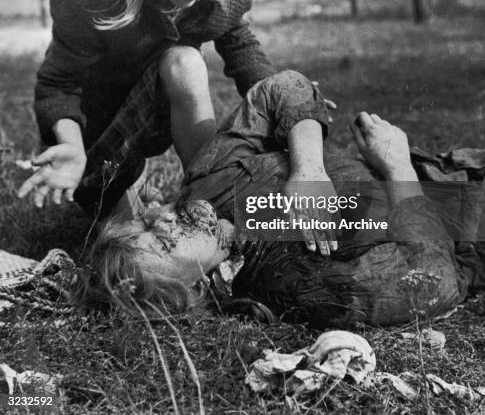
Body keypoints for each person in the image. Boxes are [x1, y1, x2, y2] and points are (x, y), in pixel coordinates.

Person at [83, 70, 485, 328]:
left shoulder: (209, 185)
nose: (166, 219)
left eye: (149, 222)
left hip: (456, 165)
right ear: (193, 291)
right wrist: (398, 167)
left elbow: (281, 89)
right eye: (165, 242)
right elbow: (433, 280)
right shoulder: (297, 288)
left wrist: (309, 168)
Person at [18, 0, 279, 219]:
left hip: (156, 109)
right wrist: (71, 145)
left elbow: (239, 41)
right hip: (96, 129)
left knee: (184, 61)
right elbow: (58, 86)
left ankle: (207, 193)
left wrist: (279, 99)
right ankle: (125, 182)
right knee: (130, 242)